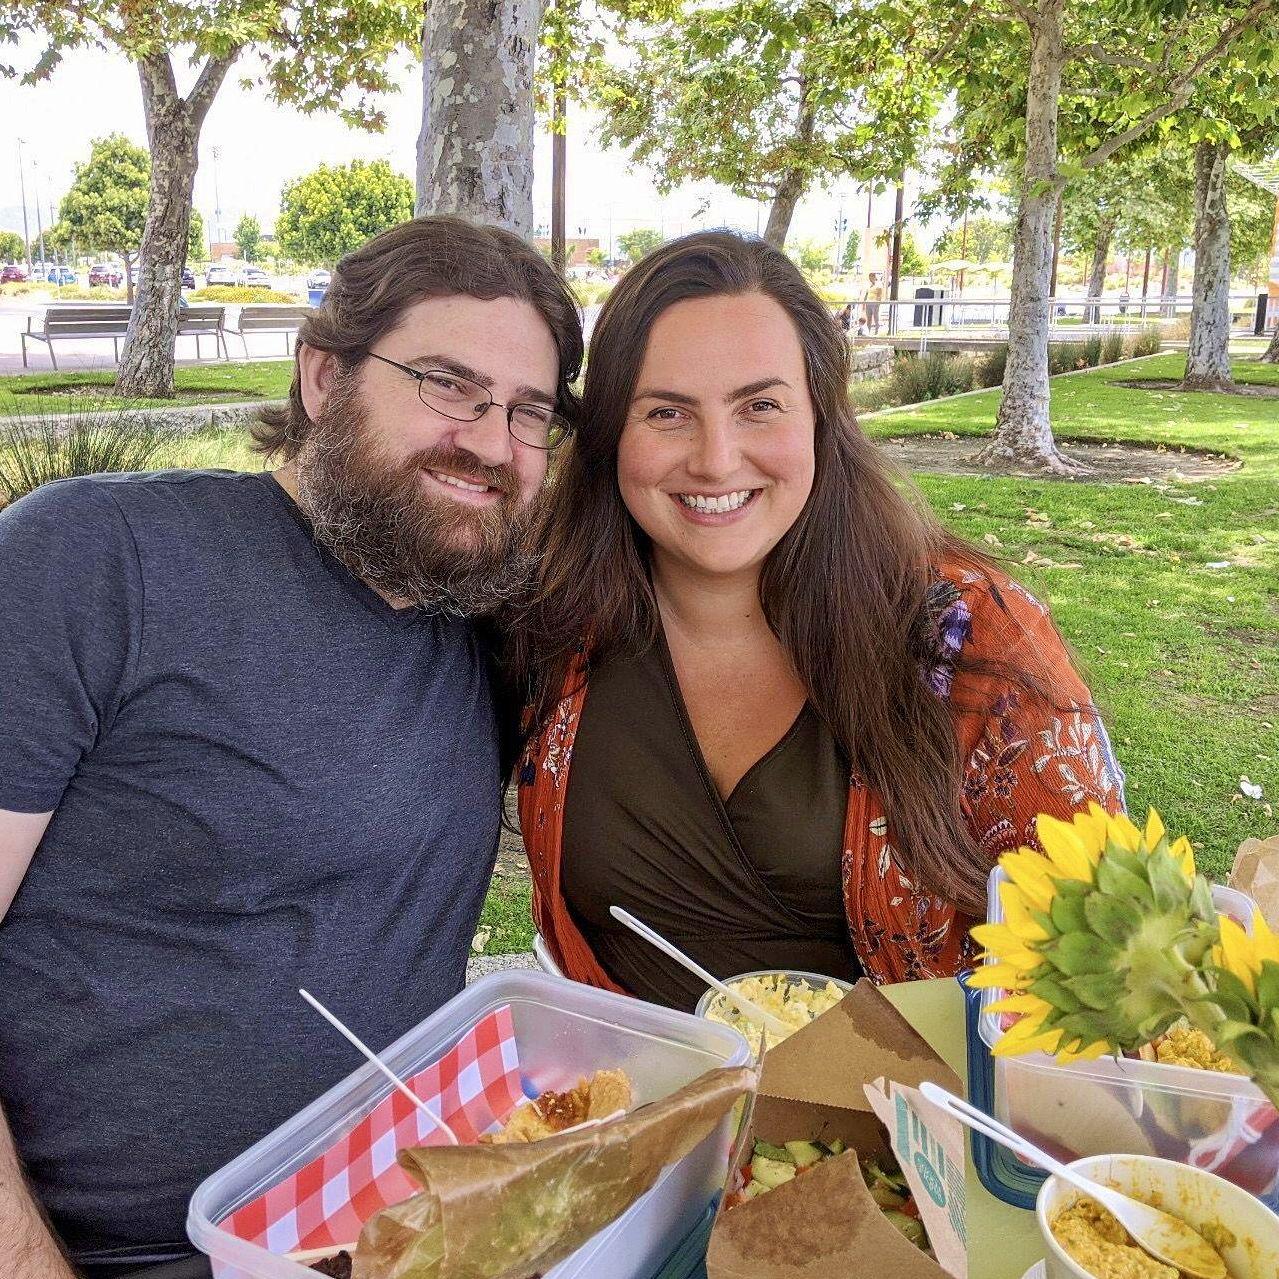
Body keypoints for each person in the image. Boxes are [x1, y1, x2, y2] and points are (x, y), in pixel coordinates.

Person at [0, 216, 582, 1278]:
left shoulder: (485, 620)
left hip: (410, 1227)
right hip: (123, 1254)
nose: (492, 443)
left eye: (528, 411)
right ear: (323, 376)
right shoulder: (95, 560)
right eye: (447, 384)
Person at [512, 231, 1123, 1009]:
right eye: (666, 412)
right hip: (635, 1110)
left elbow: (1103, 955)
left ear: (822, 420)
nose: (714, 458)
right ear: (610, 435)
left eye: (758, 406)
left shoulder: (968, 635)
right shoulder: (549, 621)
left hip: (900, 1119)